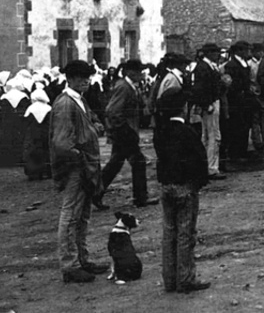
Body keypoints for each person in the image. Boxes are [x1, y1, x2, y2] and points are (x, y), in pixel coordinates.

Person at [50, 60, 109, 283]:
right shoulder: (66, 104)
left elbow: (87, 125)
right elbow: (62, 143)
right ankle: (69, 265)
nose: (86, 80)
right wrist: (80, 158)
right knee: (70, 216)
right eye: (81, 77)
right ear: (70, 78)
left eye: (88, 76)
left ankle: (82, 259)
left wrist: (95, 128)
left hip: (86, 165)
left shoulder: (79, 100)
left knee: (82, 214)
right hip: (76, 167)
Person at [154, 78, 211, 293]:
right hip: (185, 187)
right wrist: (199, 182)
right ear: (183, 107)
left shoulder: (160, 131)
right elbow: (199, 159)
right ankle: (185, 278)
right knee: (186, 234)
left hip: (166, 185)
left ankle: (170, 279)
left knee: (169, 235)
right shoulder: (187, 132)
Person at [94, 59, 157, 210]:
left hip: (125, 131)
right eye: (139, 71)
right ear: (130, 72)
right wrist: (123, 129)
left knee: (115, 164)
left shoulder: (130, 86)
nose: (141, 74)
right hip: (125, 132)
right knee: (139, 161)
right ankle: (140, 198)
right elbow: (112, 111)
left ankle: (95, 193)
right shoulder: (124, 87)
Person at [191, 44, 225, 179]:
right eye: (215, 52)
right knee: (213, 136)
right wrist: (207, 104)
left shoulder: (207, 66)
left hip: (211, 102)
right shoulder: (204, 67)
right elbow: (201, 88)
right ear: (208, 53)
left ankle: (207, 166)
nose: (218, 55)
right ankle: (211, 168)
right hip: (210, 103)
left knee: (208, 136)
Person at [23, 88, 52, 180]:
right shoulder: (48, 108)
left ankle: (33, 173)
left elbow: (26, 121)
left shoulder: (30, 108)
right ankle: (47, 172)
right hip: (46, 132)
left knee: (32, 152)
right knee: (46, 151)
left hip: (33, 133)